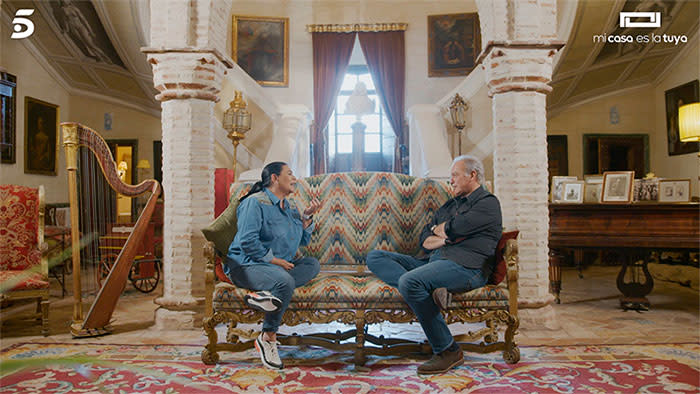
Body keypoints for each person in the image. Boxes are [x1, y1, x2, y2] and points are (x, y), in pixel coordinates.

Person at [366, 155, 502, 374]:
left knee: (410, 281)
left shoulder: (488, 203)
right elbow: (425, 238)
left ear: (472, 175)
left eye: (455, 175)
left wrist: (446, 231)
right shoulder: (449, 205)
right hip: (434, 261)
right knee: (375, 257)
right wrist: (447, 236)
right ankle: (429, 285)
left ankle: (448, 350)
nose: (451, 181)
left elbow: (456, 227)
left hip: (467, 267)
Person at [223, 162, 321, 370]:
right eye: (290, 174)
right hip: (246, 265)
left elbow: (302, 241)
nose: (295, 179)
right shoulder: (254, 203)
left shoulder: (291, 206)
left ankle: (265, 295)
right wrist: (274, 261)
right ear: (275, 178)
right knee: (284, 281)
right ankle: (267, 337)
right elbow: (247, 241)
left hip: (276, 269)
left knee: (312, 264)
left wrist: (307, 216)